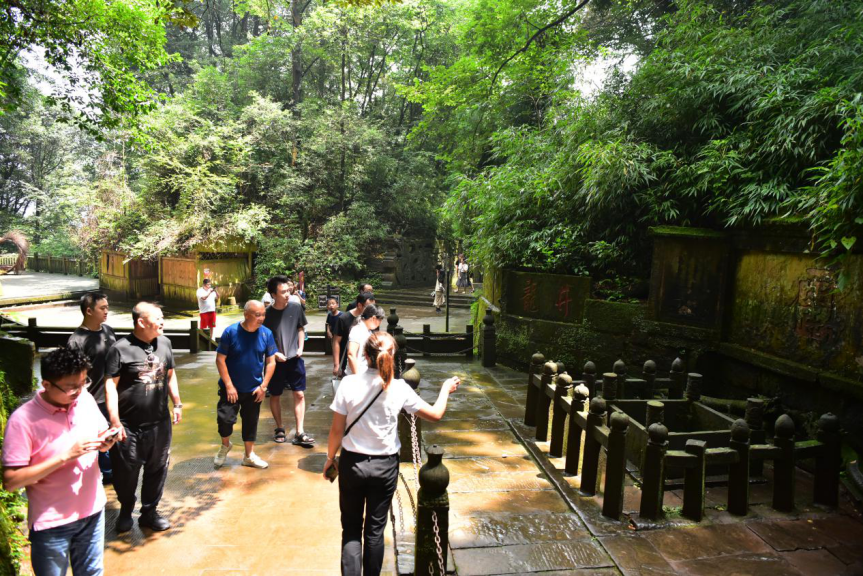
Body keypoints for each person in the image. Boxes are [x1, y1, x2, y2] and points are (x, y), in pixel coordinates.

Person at [324, 332, 460, 576]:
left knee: (352, 530)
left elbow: (336, 430)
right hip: (385, 466)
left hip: (352, 464)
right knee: (375, 532)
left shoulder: (348, 384)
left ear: (365, 356)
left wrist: (330, 458)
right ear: (393, 355)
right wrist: (445, 389)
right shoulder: (399, 388)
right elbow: (435, 414)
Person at [3, 347, 118, 576]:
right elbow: (11, 481)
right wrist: (66, 456)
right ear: (46, 384)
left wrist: (107, 442)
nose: (79, 391)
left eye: (84, 382)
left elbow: (101, 433)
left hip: (93, 511)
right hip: (51, 523)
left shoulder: (85, 400)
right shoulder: (23, 421)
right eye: (71, 387)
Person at [105, 302, 182, 533]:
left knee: (157, 468)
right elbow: (110, 386)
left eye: (162, 317)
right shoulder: (120, 349)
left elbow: (170, 375)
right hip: (129, 425)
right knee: (125, 472)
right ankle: (126, 508)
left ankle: (149, 512)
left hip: (159, 422)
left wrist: (177, 403)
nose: (162, 321)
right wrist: (114, 421)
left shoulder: (165, 343)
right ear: (141, 322)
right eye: (157, 318)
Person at [214, 300, 277, 469]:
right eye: (257, 315)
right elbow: (220, 359)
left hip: (254, 389)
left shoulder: (266, 334)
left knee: (251, 422)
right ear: (246, 314)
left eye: (263, 315)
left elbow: (271, 362)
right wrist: (229, 385)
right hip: (230, 388)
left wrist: (263, 386)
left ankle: (249, 456)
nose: (261, 318)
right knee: (225, 420)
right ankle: (225, 445)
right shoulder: (231, 332)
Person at [67, 292, 117, 483]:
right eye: (102, 308)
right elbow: (72, 377)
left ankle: (113, 473)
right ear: (89, 311)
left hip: (114, 396)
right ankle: (105, 476)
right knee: (100, 441)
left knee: (114, 437)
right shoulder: (77, 340)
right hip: (93, 400)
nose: (107, 311)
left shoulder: (108, 331)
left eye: (107, 307)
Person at [263, 275, 313, 447]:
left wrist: (300, 348)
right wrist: (274, 353)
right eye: (283, 292)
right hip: (274, 362)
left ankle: (300, 431)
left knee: (299, 394)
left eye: (288, 291)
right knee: (275, 394)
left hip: (295, 358)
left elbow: (300, 328)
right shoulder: (266, 314)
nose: (287, 295)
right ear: (273, 295)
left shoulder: (295, 307)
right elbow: (262, 338)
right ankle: (279, 428)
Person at [333, 292, 374, 377]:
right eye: (369, 307)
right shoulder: (344, 318)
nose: (372, 311)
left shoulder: (372, 319)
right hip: (347, 363)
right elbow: (336, 342)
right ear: (359, 305)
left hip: (366, 364)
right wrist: (336, 365)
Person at [346, 305, 385, 375]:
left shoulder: (367, 330)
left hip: (364, 373)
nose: (379, 324)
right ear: (373, 318)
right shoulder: (357, 330)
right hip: (357, 374)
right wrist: (356, 376)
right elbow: (351, 354)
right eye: (380, 320)